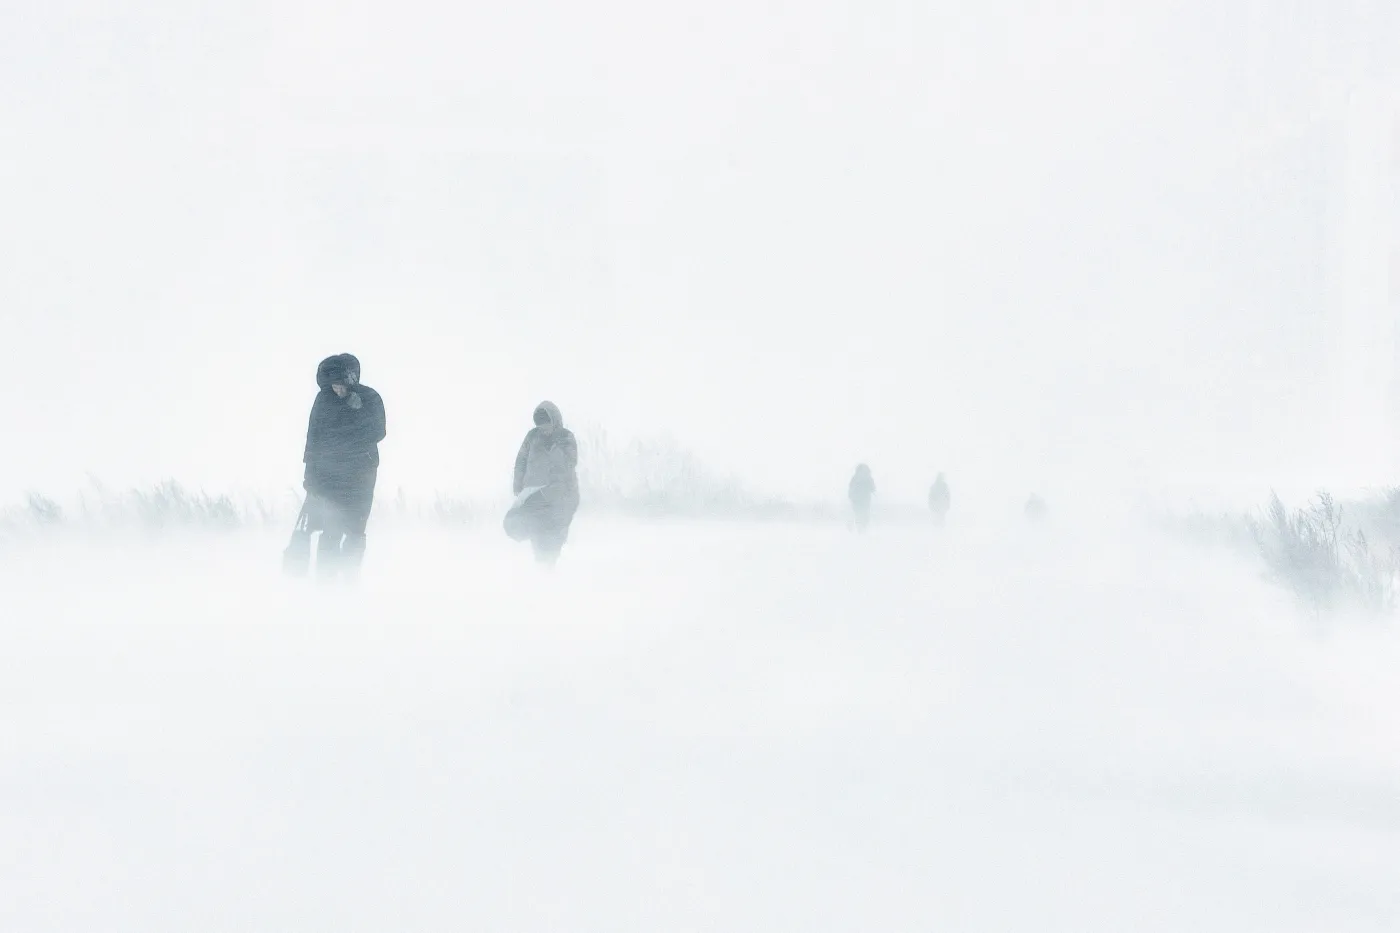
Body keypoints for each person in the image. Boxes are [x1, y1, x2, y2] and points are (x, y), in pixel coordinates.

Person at [302, 353, 386, 581]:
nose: (337, 389)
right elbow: (313, 439)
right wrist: (309, 478)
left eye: (341, 384)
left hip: (361, 477)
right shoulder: (323, 401)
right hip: (329, 477)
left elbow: (379, 432)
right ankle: (324, 584)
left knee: (356, 530)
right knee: (330, 530)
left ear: (352, 379)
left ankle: (350, 581)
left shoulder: (369, 398)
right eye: (333, 385)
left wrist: (358, 410)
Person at [508, 401, 580, 565]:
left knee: (554, 536)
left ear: (554, 420)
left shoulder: (565, 437)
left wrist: (554, 447)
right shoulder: (532, 436)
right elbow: (521, 460)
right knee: (537, 534)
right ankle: (542, 574)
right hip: (534, 494)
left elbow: (570, 463)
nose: (543, 427)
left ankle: (550, 568)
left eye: (546, 423)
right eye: (540, 424)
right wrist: (518, 484)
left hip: (559, 495)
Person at [848, 464, 875, 532]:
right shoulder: (868, 478)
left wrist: (851, 496)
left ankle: (860, 528)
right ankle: (863, 527)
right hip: (864, 499)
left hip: (857, 500)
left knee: (858, 514)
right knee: (864, 513)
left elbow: (851, 487)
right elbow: (873, 488)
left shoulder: (855, 477)